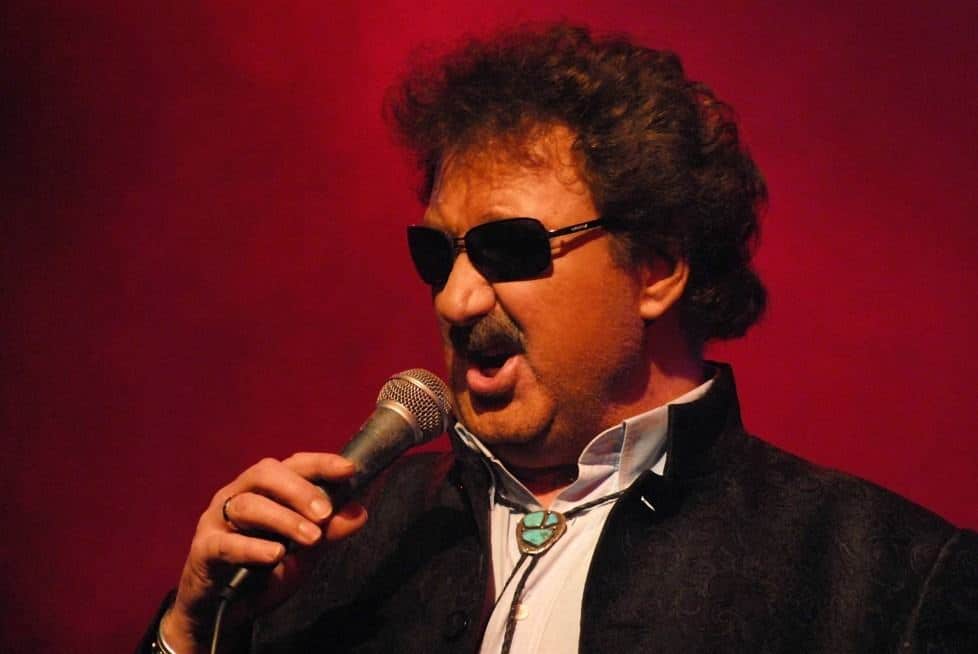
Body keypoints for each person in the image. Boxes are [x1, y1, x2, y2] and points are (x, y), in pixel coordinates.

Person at [139, 23, 978, 653]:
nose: (457, 298)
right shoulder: (332, 552)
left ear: (656, 267)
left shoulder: (887, 577)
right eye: (437, 254)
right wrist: (191, 631)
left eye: (510, 248)